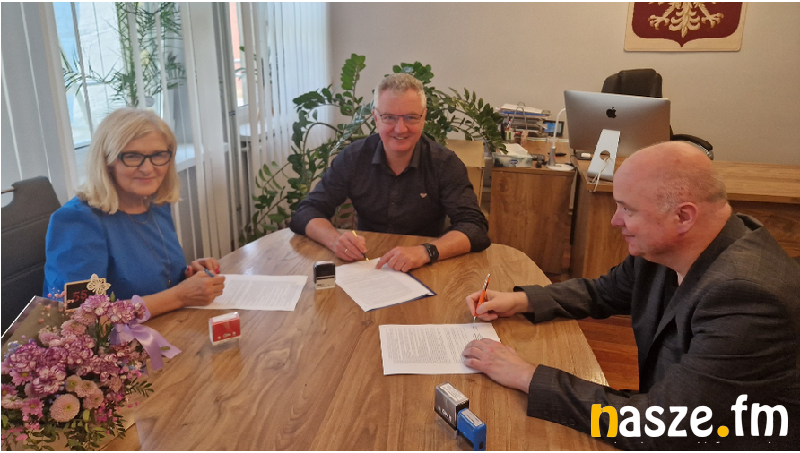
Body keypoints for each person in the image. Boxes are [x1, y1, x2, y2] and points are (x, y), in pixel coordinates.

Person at [462, 141, 800, 449]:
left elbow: (662, 427)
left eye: (628, 210)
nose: (614, 221)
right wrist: (519, 301)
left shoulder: (745, 297)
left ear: (683, 216)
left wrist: (526, 376)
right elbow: (603, 291)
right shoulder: (678, 245)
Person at [289, 73, 490, 272]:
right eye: (389, 117)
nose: (400, 129)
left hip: (425, 265)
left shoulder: (444, 163)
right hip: (365, 262)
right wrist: (334, 240)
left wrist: (426, 251)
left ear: (423, 118)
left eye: (411, 117)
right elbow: (307, 211)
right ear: (376, 118)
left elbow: (474, 227)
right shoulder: (353, 158)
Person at [44, 108, 225, 318]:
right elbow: (80, 316)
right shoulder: (78, 222)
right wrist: (179, 296)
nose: (147, 168)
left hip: (165, 326)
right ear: (108, 162)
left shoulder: (156, 205)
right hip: (117, 339)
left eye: (158, 155)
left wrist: (187, 276)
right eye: (132, 156)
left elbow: (151, 278)